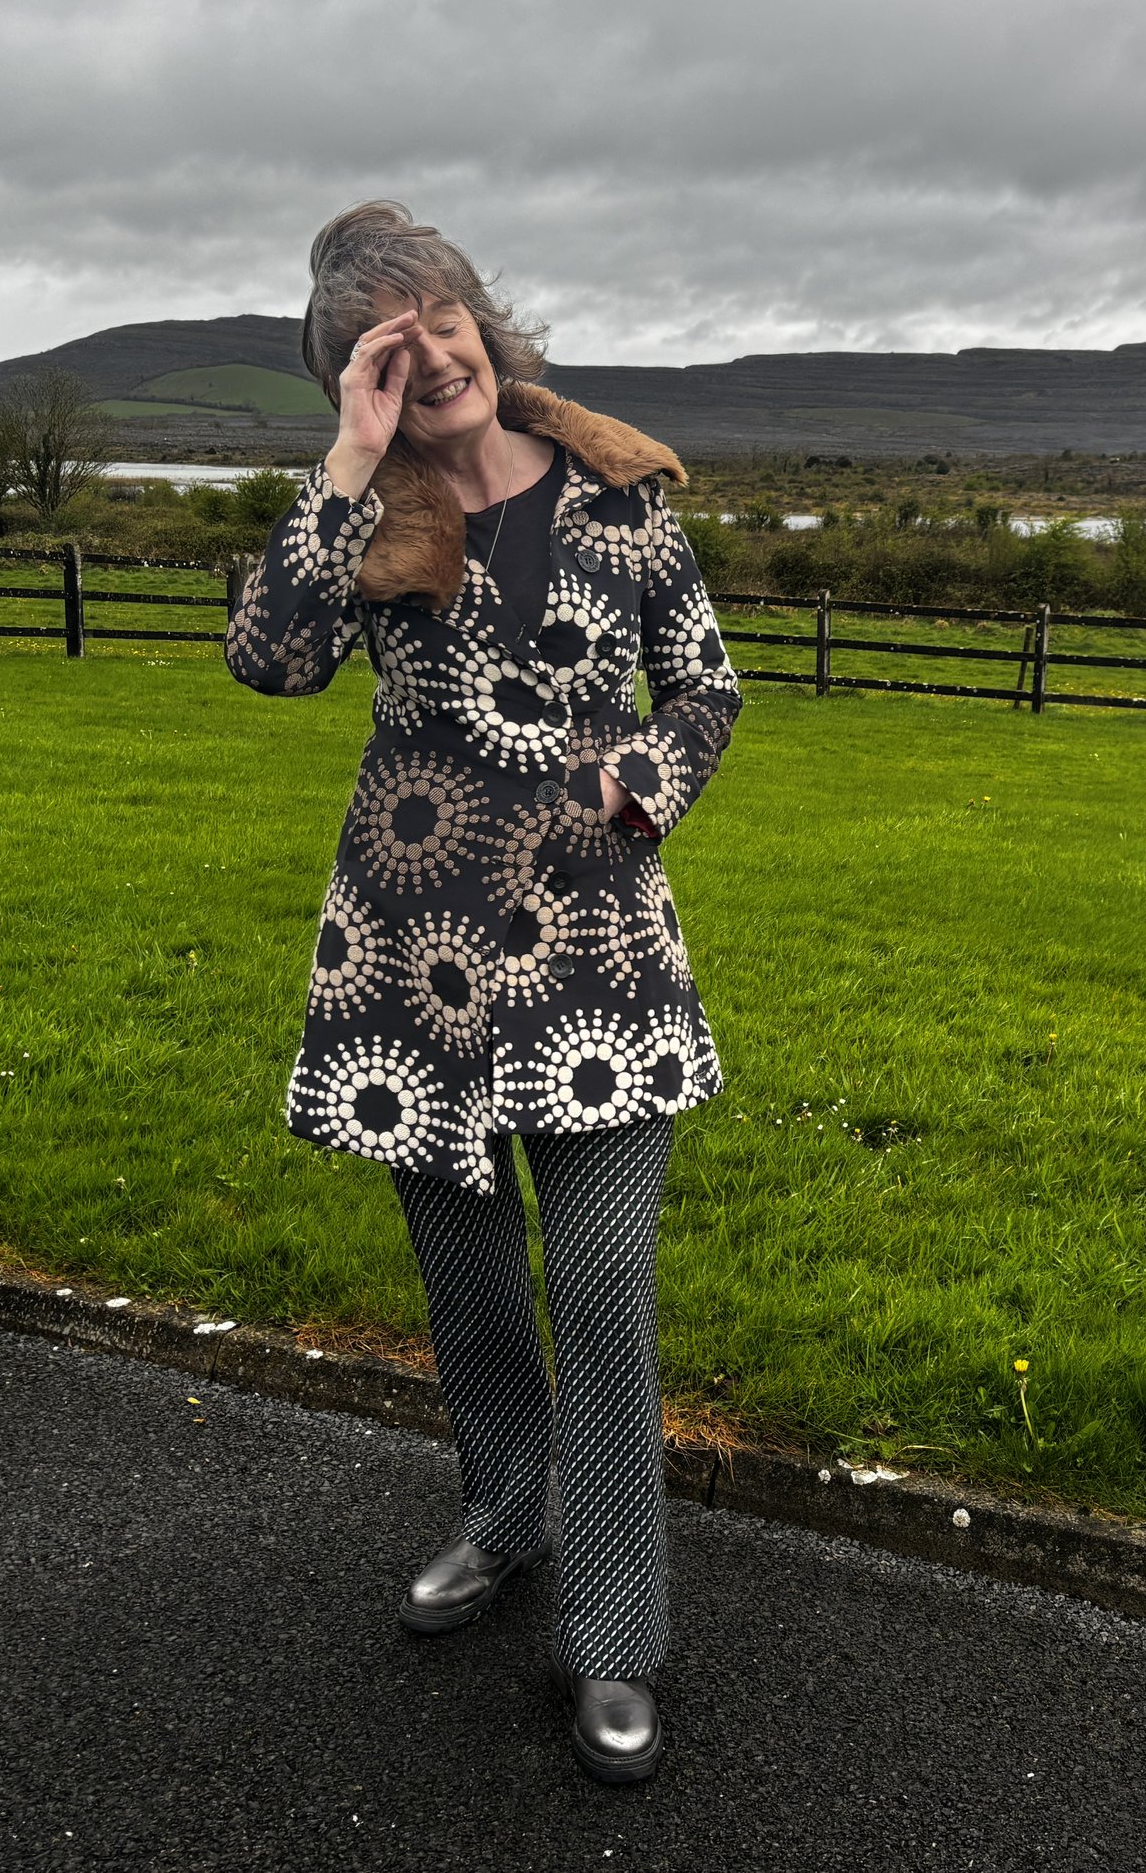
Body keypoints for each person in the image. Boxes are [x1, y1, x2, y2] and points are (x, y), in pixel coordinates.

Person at [225, 200, 741, 1784]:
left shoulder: (621, 494)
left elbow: (706, 682)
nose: (428, 346)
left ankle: (613, 1637)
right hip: (411, 959)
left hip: (598, 962)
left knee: (594, 1291)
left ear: (483, 321)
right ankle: (508, 1512)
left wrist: (635, 780)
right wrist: (343, 458)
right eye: (387, 337)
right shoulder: (360, 513)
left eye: (440, 312)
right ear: (353, 369)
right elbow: (269, 662)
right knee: (469, 1287)